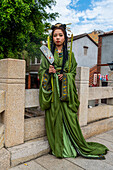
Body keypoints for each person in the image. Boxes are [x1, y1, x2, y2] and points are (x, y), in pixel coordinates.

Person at [39, 23, 109, 159]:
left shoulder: (69, 55)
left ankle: (72, 146)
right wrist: (48, 71)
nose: (58, 38)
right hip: (53, 94)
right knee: (54, 120)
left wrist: (64, 77)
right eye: (55, 35)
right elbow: (41, 72)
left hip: (66, 94)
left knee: (70, 120)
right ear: (51, 38)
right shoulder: (47, 55)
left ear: (65, 38)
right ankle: (58, 147)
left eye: (60, 35)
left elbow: (72, 73)